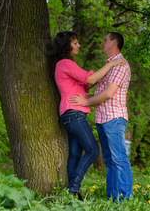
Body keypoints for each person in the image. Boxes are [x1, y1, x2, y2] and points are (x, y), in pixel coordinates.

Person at [52, 31, 125, 200]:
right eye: (75, 42)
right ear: (67, 45)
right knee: (92, 150)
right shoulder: (65, 63)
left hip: (70, 114)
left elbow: (86, 87)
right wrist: (112, 64)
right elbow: (90, 79)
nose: (78, 45)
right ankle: (74, 187)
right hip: (74, 114)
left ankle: (74, 196)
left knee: (75, 154)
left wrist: (105, 78)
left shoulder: (67, 65)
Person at [69, 32, 133, 201]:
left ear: (114, 43)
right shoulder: (110, 65)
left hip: (114, 118)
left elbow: (109, 93)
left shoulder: (120, 65)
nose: (101, 43)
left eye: (105, 40)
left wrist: (85, 103)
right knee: (109, 160)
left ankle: (125, 198)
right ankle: (113, 196)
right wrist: (82, 99)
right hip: (103, 118)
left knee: (118, 158)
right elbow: (97, 90)